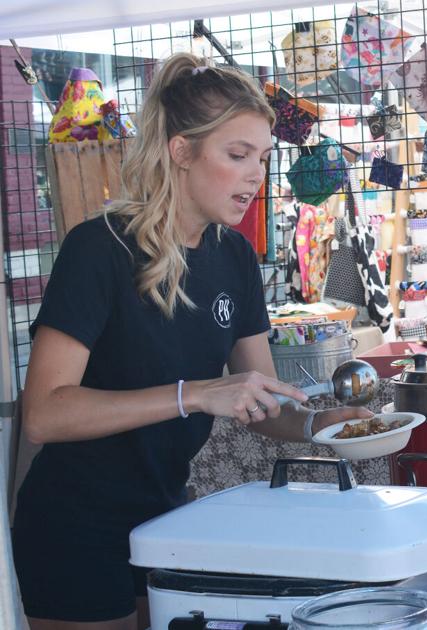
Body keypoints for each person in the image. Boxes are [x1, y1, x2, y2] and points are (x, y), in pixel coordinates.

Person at [11, 53, 373, 630]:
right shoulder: (99, 249)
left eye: (262, 157)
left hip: (166, 520)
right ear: (181, 151)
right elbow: (44, 416)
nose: (257, 176)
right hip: (74, 523)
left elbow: (256, 405)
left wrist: (322, 427)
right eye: (237, 155)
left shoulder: (233, 256)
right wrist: (195, 394)